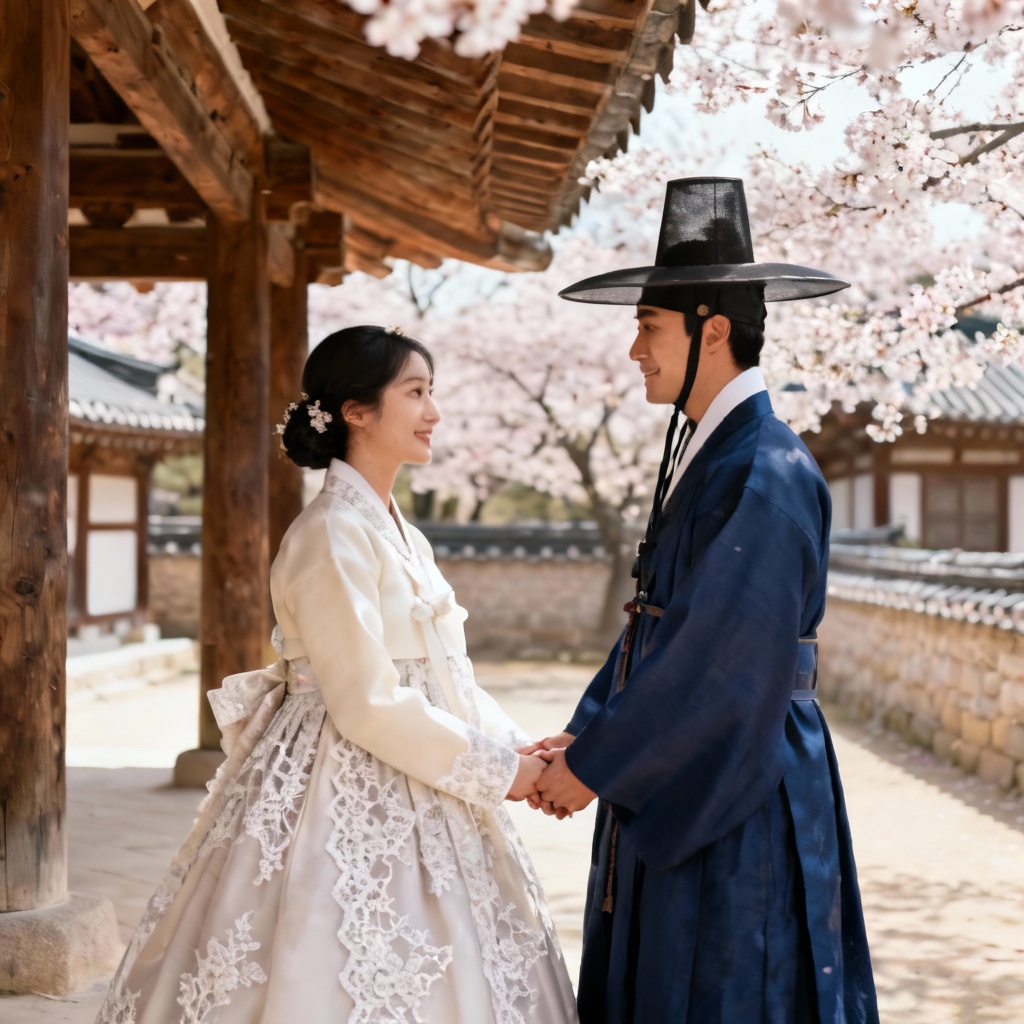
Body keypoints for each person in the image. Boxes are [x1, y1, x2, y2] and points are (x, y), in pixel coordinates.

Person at [95, 325, 578, 1024]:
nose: (433, 412)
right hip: (342, 773)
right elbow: (368, 702)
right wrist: (501, 772)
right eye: (415, 392)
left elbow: (447, 675)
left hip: (423, 775)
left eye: (431, 392)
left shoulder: (398, 530)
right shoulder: (328, 532)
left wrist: (520, 749)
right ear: (356, 410)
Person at [526, 178, 880, 1023]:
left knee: (732, 979)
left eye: (649, 328)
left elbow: (720, 655)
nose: (634, 351)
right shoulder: (716, 451)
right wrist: (589, 731)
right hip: (690, 753)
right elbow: (659, 619)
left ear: (711, 331)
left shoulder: (765, 469)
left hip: (739, 773)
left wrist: (594, 767)